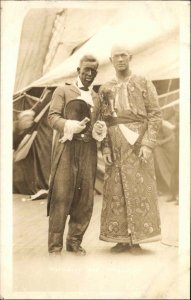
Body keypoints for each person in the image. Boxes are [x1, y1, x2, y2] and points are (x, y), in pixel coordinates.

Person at [98, 44, 162, 253]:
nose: (120, 59)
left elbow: (155, 114)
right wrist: (105, 149)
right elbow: (102, 121)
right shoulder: (105, 88)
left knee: (140, 189)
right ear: (111, 59)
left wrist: (148, 144)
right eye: (116, 56)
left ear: (130, 57)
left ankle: (138, 238)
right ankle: (121, 238)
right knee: (116, 190)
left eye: (124, 55)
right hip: (115, 145)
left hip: (138, 144)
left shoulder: (143, 82)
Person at [47, 54, 106, 256]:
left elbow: (98, 123)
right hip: (67, 148)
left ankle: (74, 242)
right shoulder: (62, 91)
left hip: (88, 150)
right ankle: (55, 246)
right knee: (61, 195)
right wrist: (70, 125)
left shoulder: (97, 97)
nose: (89, 74)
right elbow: (52, 117)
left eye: (93, 71)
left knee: (85, 198)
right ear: (78, 70)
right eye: (86, 70)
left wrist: (99, 130)